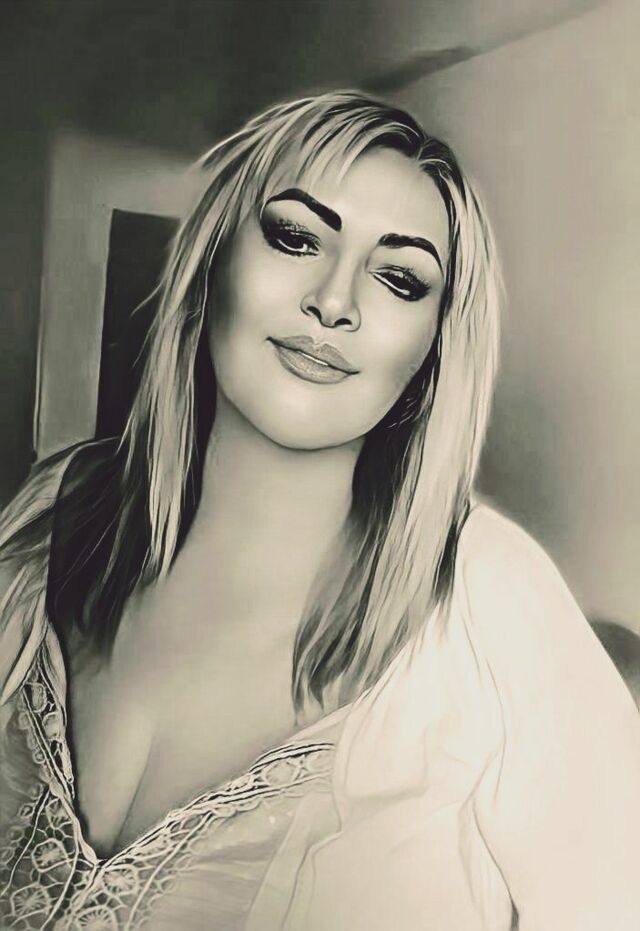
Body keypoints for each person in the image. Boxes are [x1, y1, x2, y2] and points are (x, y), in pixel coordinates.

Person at [0, 91, 639, 931]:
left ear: (433, 349)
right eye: (296, 236)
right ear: (215, 259)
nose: (335, 302)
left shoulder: (489, 595)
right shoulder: (55, 512)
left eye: (400, 277)